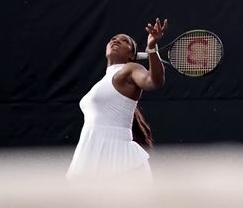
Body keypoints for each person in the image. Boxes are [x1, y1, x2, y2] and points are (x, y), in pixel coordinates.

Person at [66, 18, 168, 180]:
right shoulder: (103, 81)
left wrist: (151, 47)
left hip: (120, 158)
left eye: (124, 41)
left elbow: (154, 81)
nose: (116, 41)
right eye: (113, 39)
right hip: (90, 151)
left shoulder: (130, 69)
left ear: (131, 54)